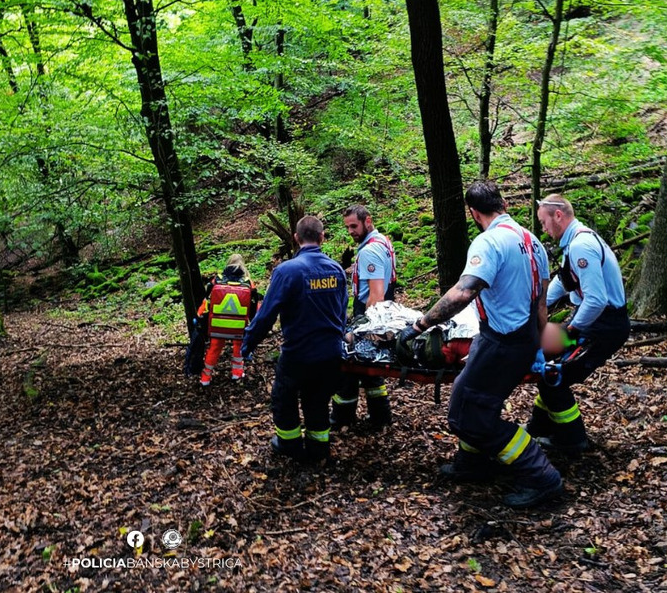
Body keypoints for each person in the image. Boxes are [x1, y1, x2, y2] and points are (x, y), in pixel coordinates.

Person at [399, 181, 563, 509]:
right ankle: (472, 463)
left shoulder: (488, 243)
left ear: (473, 212)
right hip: (521, 338)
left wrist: (419, 325)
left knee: (464, 416)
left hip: (502, 342)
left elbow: (464, 291)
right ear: (502, 202)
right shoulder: (533, 242)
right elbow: (542, 304)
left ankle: (541, 475)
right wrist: (539, 348)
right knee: (471, 396)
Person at [241, 216, 348, 464]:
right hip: (330, 353)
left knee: (284, 398)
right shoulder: (336, 270)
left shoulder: (287, 271)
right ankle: (318, 448)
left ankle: (289, 444)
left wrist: (247, 345)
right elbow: (342, 312)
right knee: (318, 401)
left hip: (298, 353)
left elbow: (266, 314)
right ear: (322, 237)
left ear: (296, 238)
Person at [530, 194, 631, 454]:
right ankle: (539, 427)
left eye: (543, 222)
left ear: (558, 216)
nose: (543, 228)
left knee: (553, 374)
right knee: (546, 366)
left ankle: (571, 439)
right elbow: (563, 283)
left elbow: (596, 300)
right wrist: (537, 306)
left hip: (603, 325)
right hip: (596, 322)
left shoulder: (580, 246)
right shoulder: (574, 242)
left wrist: (573, 329)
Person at [330, 204, 397, 431]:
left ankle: (342, 417)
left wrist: (363, 328)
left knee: (348, 365)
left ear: (368, 221)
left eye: (354, 226)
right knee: (369, 369)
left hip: (370, 314)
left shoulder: (369, 251)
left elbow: (376, 295)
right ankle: (381, 416)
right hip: (382, 312)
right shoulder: (384, 243)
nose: (350, 231)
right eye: (347, 227)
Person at [193, 254, 261, 387]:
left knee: (214, 348)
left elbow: (207, 302)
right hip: (239, 325)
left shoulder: (216, 280)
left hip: (217, 324)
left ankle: (205, 378)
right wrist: (253, 322)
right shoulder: (248, 283)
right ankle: (237, 373)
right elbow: (253, 307)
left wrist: (199, 316)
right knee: (238, 347)